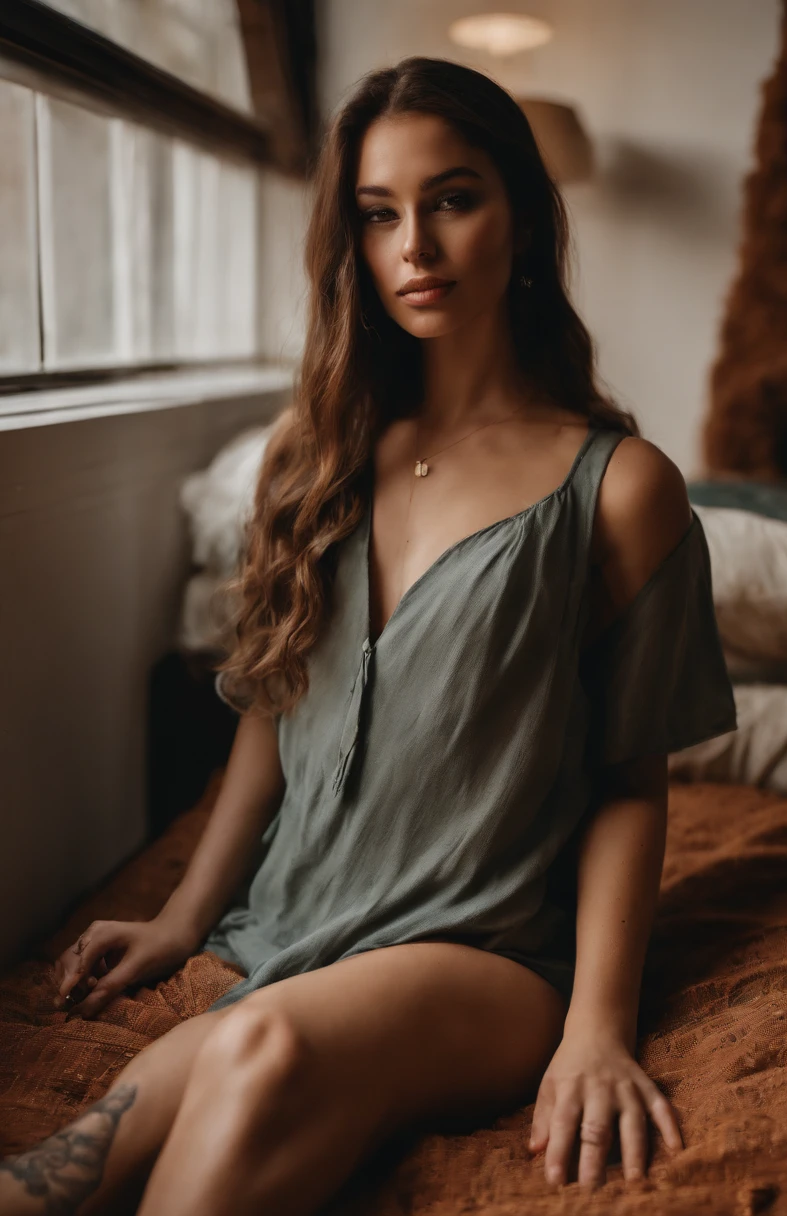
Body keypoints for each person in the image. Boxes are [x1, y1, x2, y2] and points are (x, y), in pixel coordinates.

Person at [0, 55, 737, 1216]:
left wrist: (598, 1027)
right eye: (378, 213)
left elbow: (631, 786)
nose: (414, 247)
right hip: (294, 930)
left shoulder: (622, 490)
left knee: (264, 1047)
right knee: (42, 1182)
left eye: (452, 198)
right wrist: (190, 916)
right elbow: (271, 709)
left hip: (486, 956)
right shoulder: (315, 458)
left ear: (526, 217)